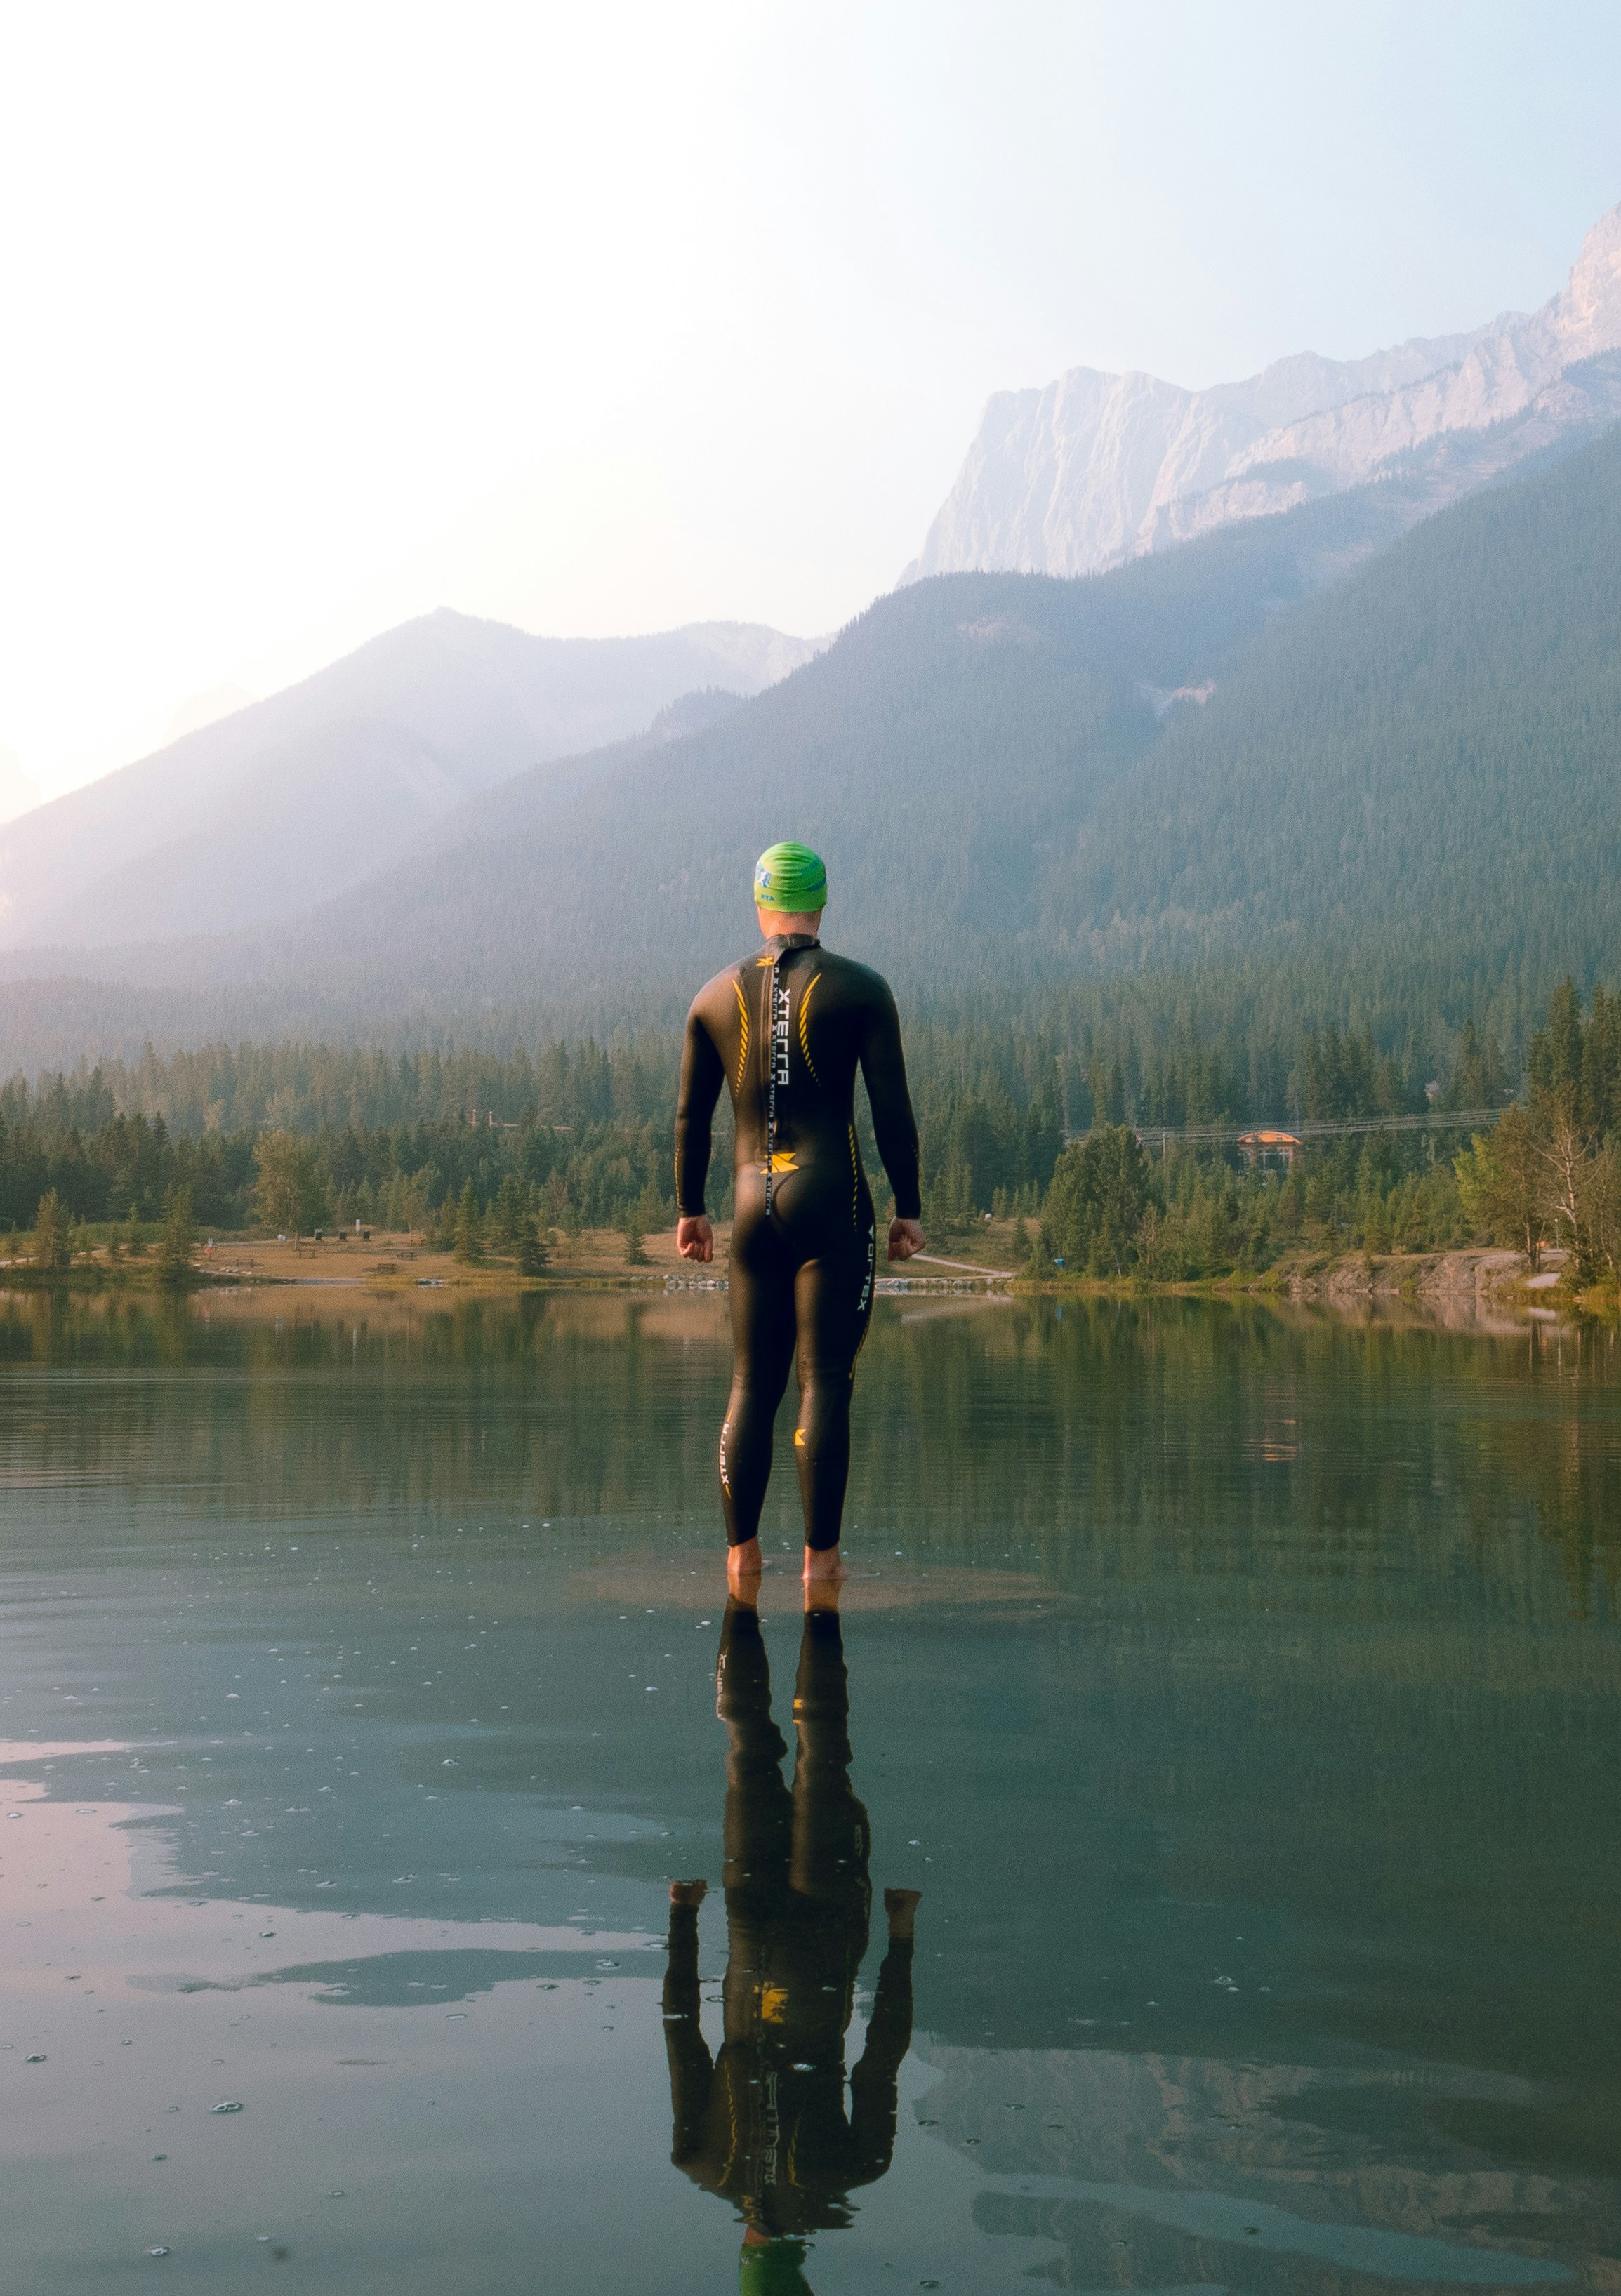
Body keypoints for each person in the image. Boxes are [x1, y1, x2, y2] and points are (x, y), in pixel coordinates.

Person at [673, 842, 923, 1600]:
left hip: (750, 1206)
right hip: (831, 1201)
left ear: (759, 904)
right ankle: (820, 1567)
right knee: (823, 1383)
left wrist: (690, 1208)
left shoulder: (713, 996)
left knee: (752, 1382)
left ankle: (741, 1563)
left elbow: (691, 1117)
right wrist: (907, 1208)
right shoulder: (861, 989)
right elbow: (890, 1110)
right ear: (822, 902)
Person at [665, 1600, 920, 2289]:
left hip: (825, 1933)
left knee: (823, 1747)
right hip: (749, 1931)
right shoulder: (700, 2160)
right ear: (745, 2258)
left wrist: (901, 1937)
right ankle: (739, 1598)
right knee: (748, 1742)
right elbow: (680, 2032)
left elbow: (881, 2055)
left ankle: (819, 1598)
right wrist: (682, 1921)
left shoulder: (844, 2177)